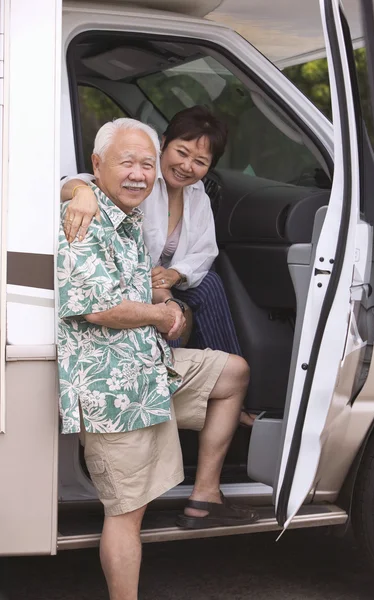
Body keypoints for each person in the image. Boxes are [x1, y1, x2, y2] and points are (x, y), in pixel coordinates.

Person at [57, 118, 258, 600]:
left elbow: (188, 268)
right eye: (128, 162)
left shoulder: (128, 222)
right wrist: (162, 313)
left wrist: (167, 304)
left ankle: (205, 493)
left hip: (149, 367)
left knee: (232, 371)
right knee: (126, 514)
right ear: (96, 167)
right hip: (113, 386)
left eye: (146, 164)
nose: (140, 174)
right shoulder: (84, 217)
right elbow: (99, 306)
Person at [61, 106, 255, 427]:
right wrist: (81, 193)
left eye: (200, 161)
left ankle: (230, 393)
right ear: (163, 143)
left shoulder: (198, 196)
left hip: (168, 281)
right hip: (136, 285)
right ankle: (166, 395)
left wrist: (175, 274)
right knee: (169, 308)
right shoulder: (140, 180)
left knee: (210, 285)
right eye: (182, 152)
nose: (187, 166)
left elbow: (205, 252)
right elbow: (78, 182)